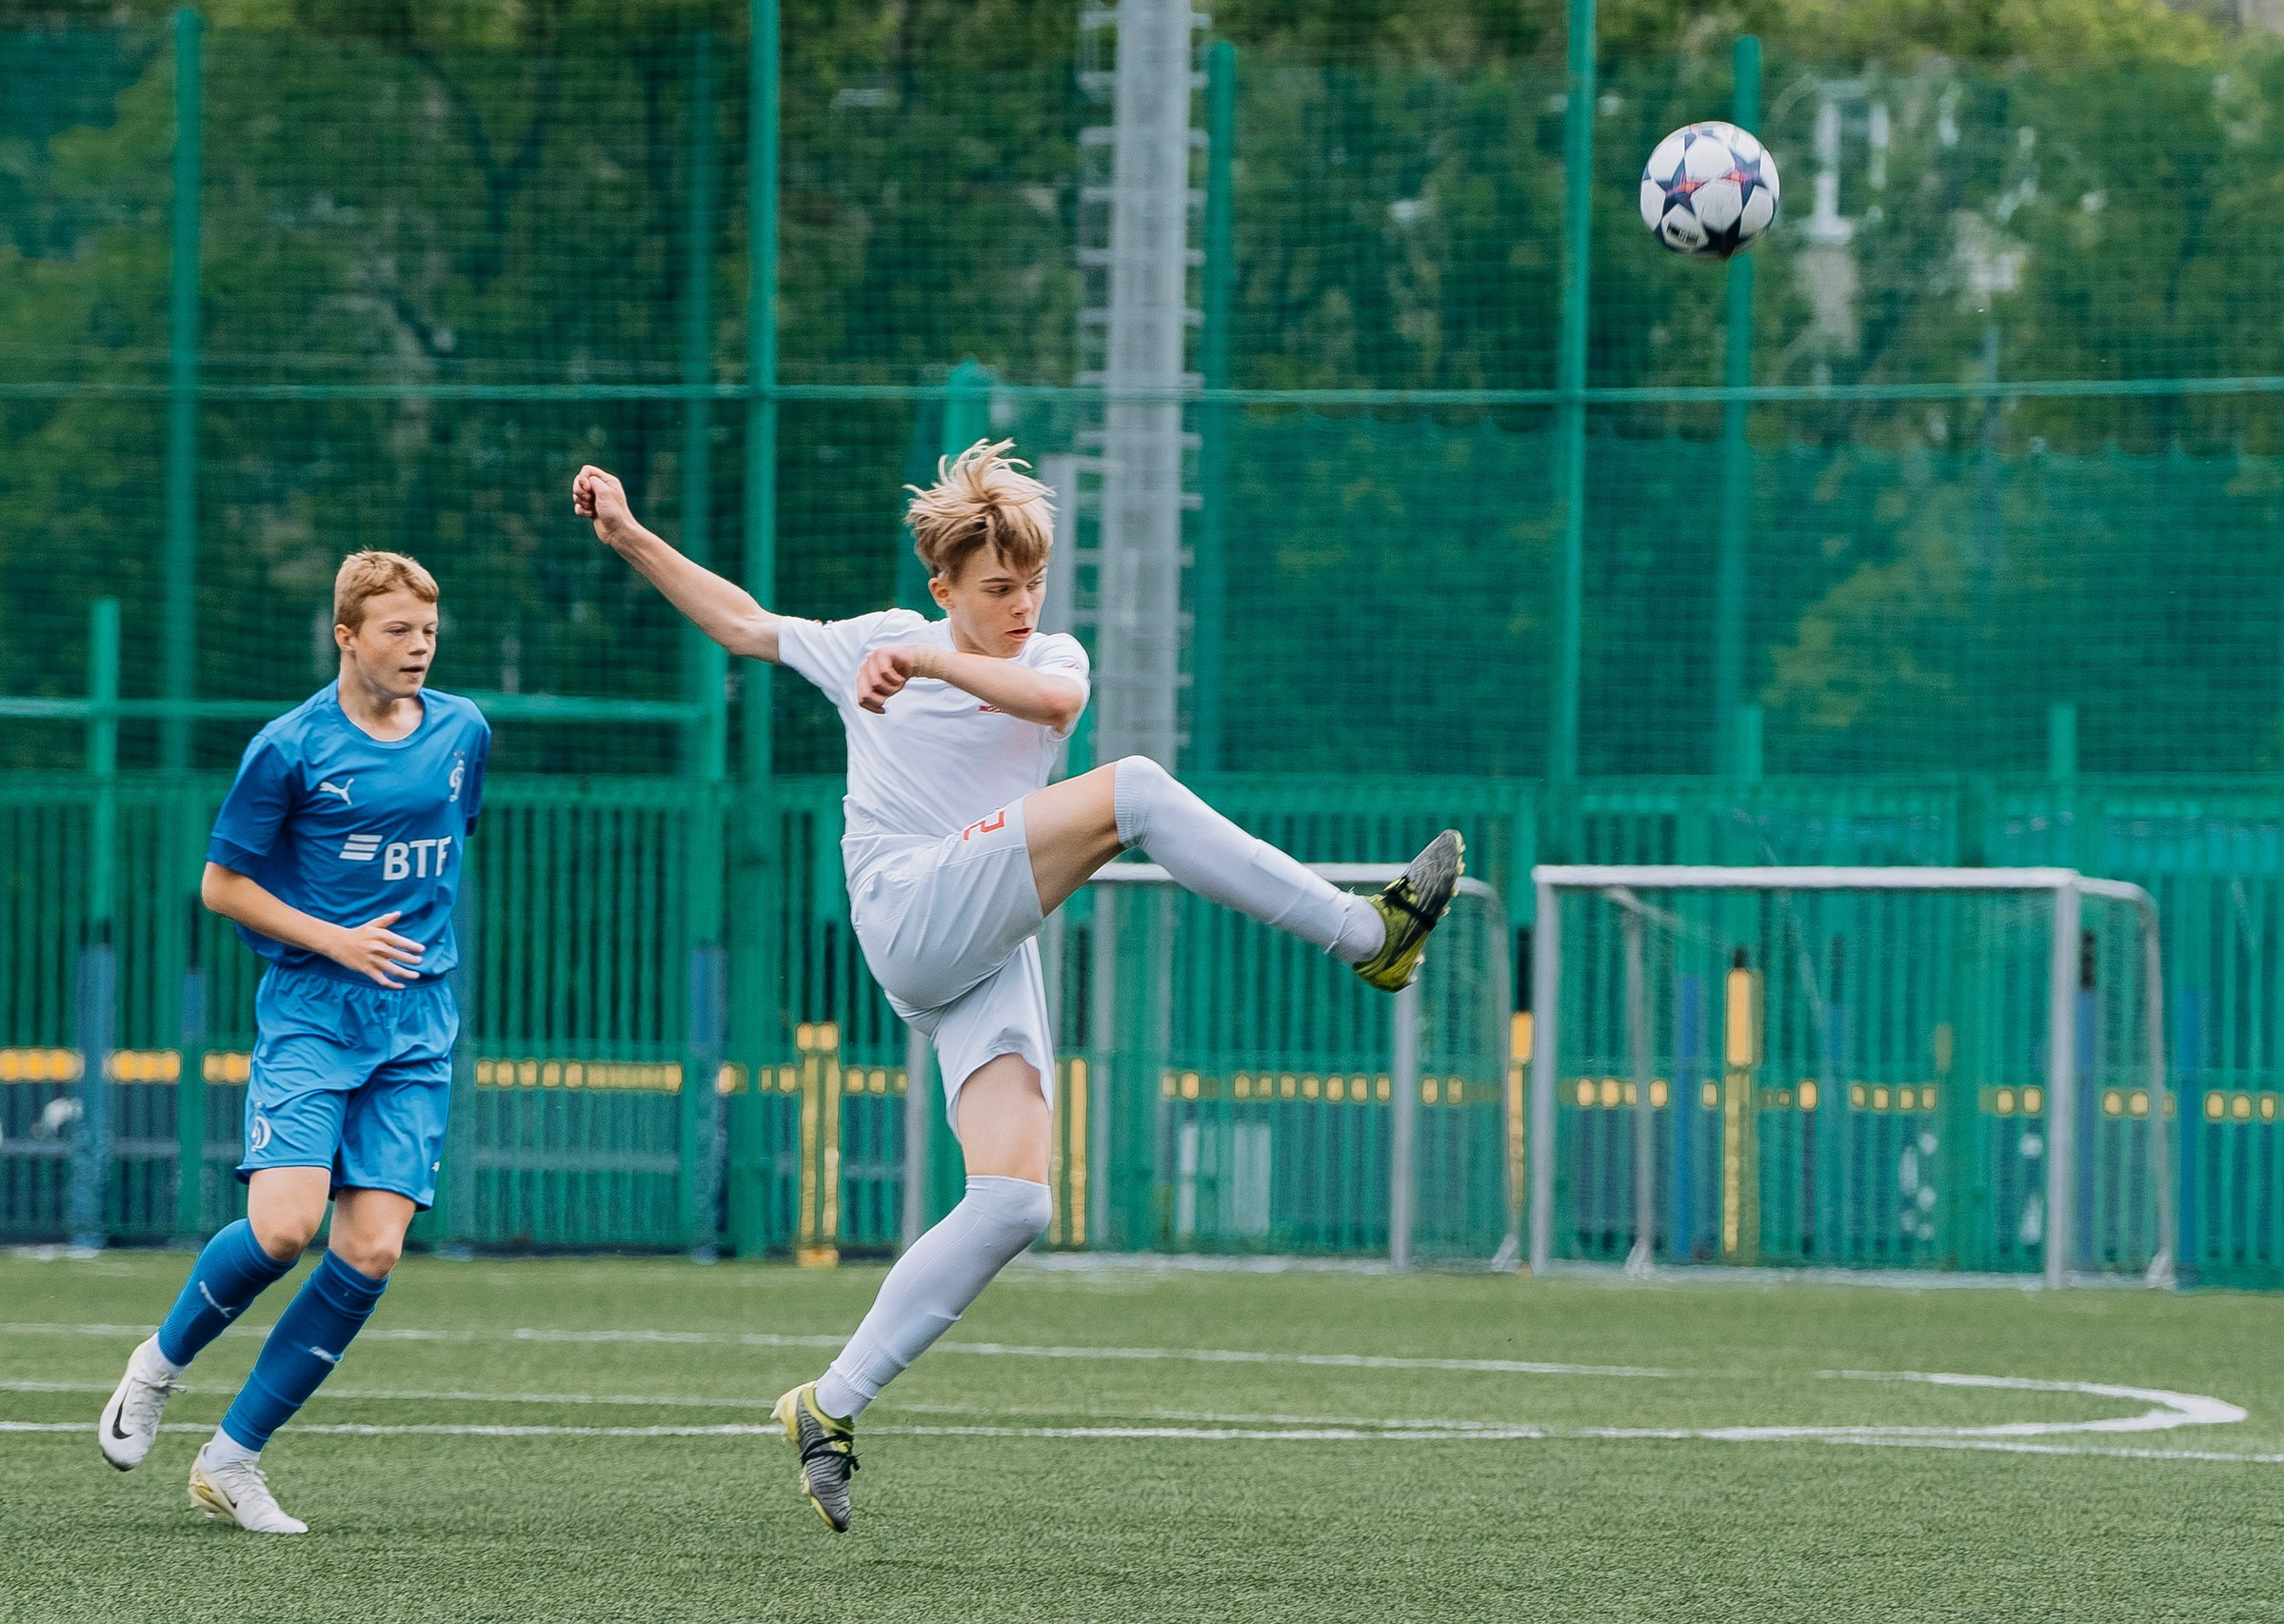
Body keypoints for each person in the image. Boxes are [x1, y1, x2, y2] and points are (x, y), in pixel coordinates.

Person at [571, 442, 1458, 1534]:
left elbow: (1044, 705)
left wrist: (941, 666)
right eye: (996, 588)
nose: (1022, 602)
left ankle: (826, 1402)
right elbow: (744, 624)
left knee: (1014, 1199)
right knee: (1132, 789)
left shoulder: (1048, 656)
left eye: (1031, 581)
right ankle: (1363, 932)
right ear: (941, 588)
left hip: (979, 944)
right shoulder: (879, 640)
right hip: (908, 906)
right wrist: (628, 534)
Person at [94, 551, 490, 1535]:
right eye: (397, 630)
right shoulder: (289, 746)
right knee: (282, 1227)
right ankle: (157, 1365)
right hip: (314, 1007)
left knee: (373, 1247)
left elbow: (444, 841)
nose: (418, 648)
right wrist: (335, 937)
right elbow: (221, 883)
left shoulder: (463, 729)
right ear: (346, 635)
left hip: (416, 1020)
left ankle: (234, 1457)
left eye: (429, 631)